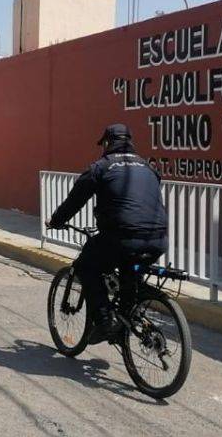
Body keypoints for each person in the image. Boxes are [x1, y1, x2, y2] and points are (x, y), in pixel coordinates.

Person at [46, 123, 168, 343]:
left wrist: (56, 220)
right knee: (130, 278)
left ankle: (104, 322)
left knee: (86, 266)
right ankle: (124, 329)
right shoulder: (148, 167)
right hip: (158, 239)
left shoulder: (101, 167)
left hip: (121, 238)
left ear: (107, 143)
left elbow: (75, 200)